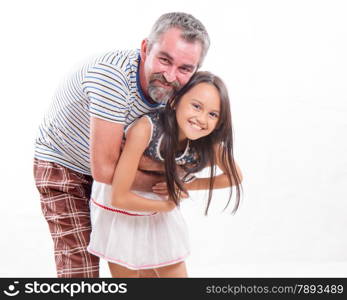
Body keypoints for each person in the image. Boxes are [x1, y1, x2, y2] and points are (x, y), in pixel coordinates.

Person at [33, 12, 210, 278]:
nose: (171, 76)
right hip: (64, 163)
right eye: (164, 59)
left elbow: (180, 153)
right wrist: (168, 181)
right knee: (80, 264)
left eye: (185, 68)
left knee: (145, 254)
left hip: (118, 167)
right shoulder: (113, 78)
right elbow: (105, 171)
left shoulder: (185, 92)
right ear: (145, 48)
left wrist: (179, 177)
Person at [87, 71, 243, 278]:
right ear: (175, 101)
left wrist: (186, 185)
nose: (202, 119)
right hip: (121, 206)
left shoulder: (209, 143)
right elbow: (119, 197)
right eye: (196, 106)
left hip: (157, 204)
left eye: (213, 114)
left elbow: (234, 176)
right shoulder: (146, 129)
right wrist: (167, 205)